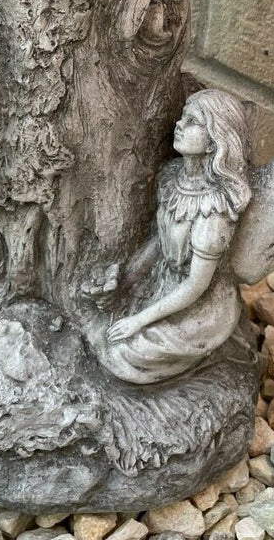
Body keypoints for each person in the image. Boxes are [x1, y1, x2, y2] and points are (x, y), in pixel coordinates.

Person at [96, 89, 254, 385]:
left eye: (192, 121)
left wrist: (138, 321)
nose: (179, 124)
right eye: (183, 117)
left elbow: (196, 286)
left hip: (198, 305)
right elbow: (160, 242)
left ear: (214, 141)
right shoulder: (171, 178)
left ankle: (213, 359)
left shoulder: (215, 212)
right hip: (161, 284)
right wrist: (126, 280)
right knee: (100, 324)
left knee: (122, 353)